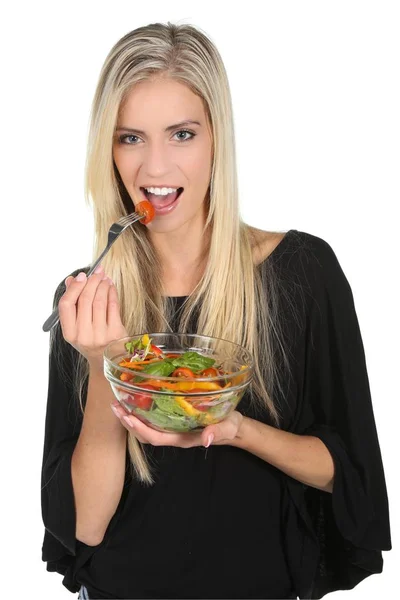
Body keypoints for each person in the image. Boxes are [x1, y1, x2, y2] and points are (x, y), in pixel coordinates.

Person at [40, 22, 391, 600]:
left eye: (181, 134)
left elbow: (347, 474)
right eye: (131, 138)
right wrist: (106, 364)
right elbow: (86, 526)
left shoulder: (304, 272)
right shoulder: (89, 301)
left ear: (216, 139)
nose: (155, 170)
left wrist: (238, 430)